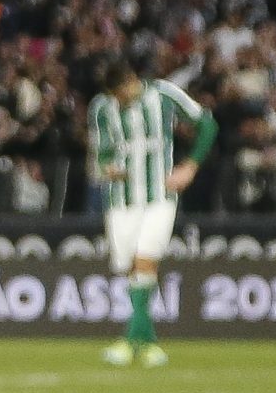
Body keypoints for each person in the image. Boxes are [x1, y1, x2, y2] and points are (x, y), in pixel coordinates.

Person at [87, 58, 217, 368]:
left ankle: (129, 340)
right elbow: (103, 151)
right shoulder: (101, 108)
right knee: (133, 269)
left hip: (160, 195)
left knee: (146, 260)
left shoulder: (164, 94)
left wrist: (190, 166)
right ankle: (148, 342)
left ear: (132, 80)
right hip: (121, 200)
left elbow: (207, 123)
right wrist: (108, 167)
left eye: (122, 93)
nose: (119, 101)